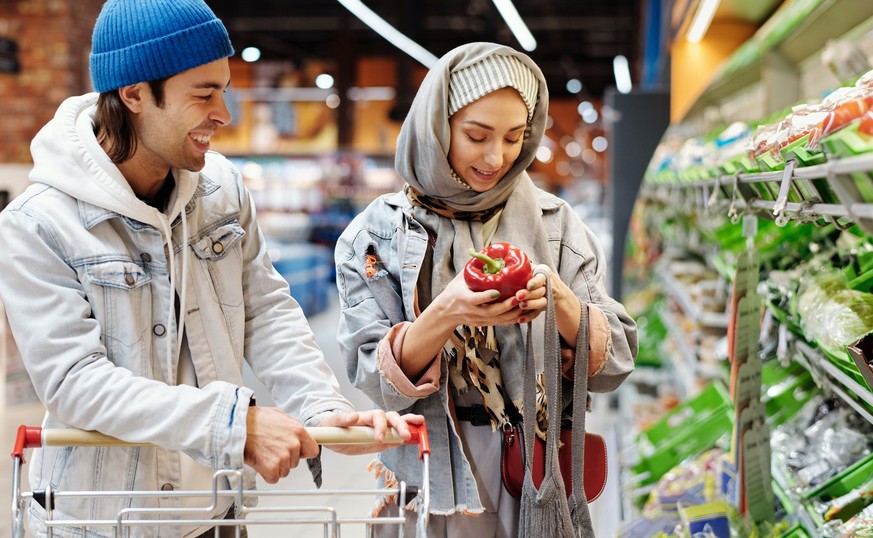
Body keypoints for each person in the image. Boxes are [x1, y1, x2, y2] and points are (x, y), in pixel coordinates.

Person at [0, 0, 420, 536]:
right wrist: (234, 424)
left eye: (223, 90)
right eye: (204, 94)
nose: (224, 113)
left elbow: (265, 311)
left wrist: (318, 405)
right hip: (99, 518)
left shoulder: (222, 191)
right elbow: (75, 383)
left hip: (214, 514)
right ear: (133, 94)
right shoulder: (38, 224)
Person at [334, 42, 638, 536]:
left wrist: (559, 301)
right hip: (428, 461)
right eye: (477, 136)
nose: (497, 157)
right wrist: (447, 311)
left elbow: (618, 362)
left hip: (535, 467)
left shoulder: (556, 226)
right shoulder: (375, 237)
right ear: (437, 129)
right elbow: (375, 381)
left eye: (516, 137)